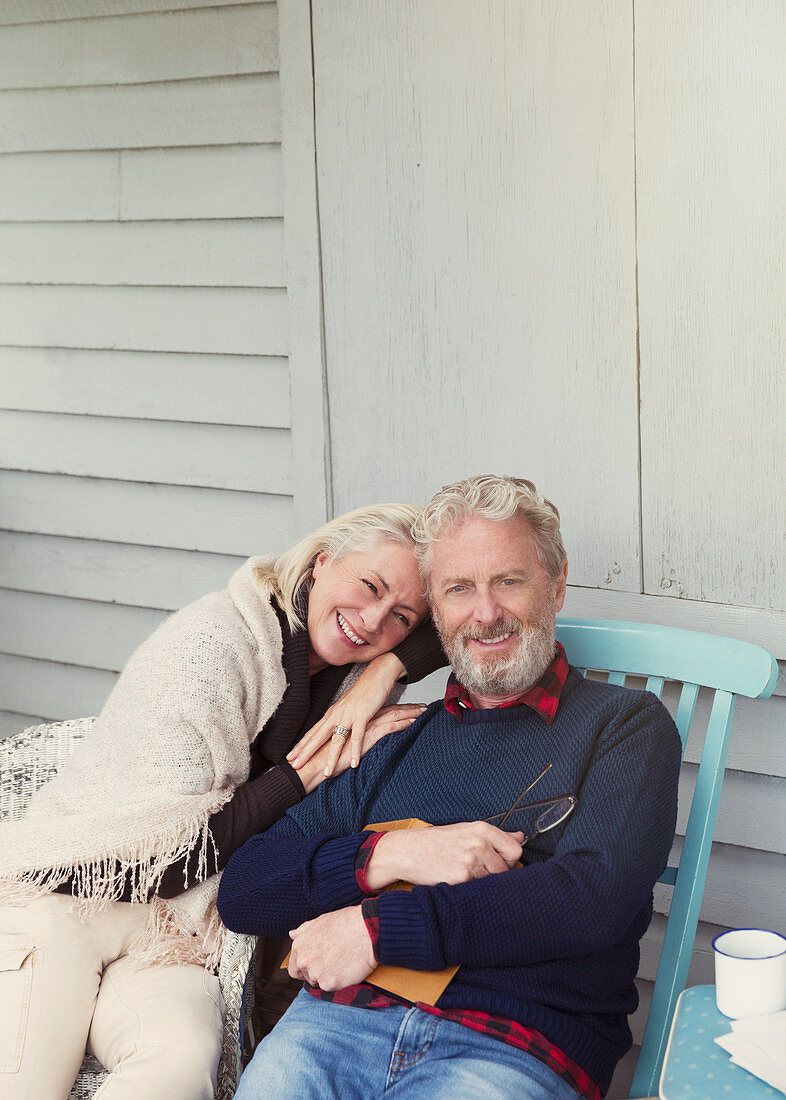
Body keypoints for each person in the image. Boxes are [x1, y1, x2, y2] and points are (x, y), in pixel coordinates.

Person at [217, 474, 683, 1100]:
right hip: (337, 1028)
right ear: (436, 613)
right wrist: (387, 855)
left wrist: (375, 930)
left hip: (510, 1046)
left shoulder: (625, 727)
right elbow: (246, 888)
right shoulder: (399, 741)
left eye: (508, 581)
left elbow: (589, 898)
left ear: (557, 583)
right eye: (459, 589)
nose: (485, 612)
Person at [0, 503, 447, 1100]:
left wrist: (382, 673)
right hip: (66, 896)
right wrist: (303, 774)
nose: (370, 621)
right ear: (322, 561)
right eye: (368, 586)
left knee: (180, 1064)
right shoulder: (217, 640)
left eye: (400, 617)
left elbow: (472, 623)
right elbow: (165, 858)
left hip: (174, 932)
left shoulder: (344, 675)